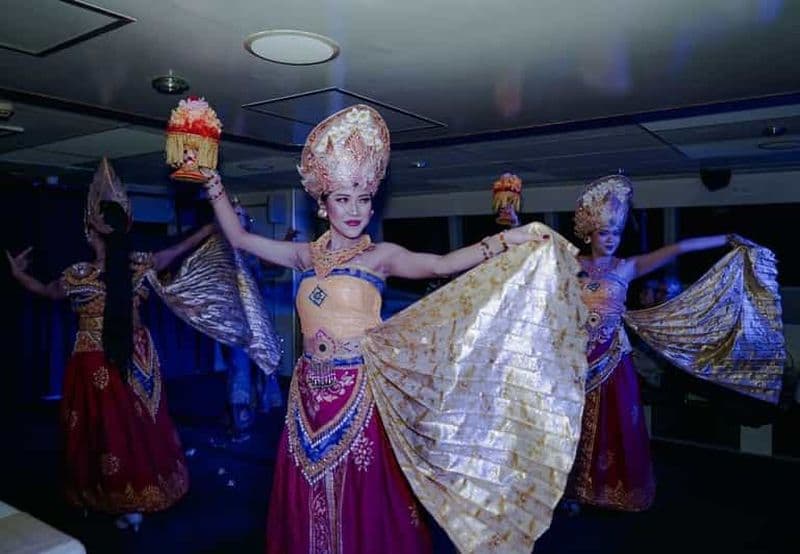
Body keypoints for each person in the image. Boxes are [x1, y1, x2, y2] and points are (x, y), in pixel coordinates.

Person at [200, 105, 590, 553]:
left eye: (362, 199)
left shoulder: (380, 257)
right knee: (307, 482)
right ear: (323, 205)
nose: (354, 210)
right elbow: (241, 240)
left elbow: (443, 264)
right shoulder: (306, 256)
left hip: (360, 393)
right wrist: (214, 185)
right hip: (307, 391)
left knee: (365, 490)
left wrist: (506, 241)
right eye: (342, 199)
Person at [6, 159, 214, 531]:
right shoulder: (136, 265)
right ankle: (132, 500)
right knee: (133, 428)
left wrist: (18, 273)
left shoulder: (79, 275)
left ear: (90, 232)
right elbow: (176, 250)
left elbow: (43, 291)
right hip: (131, 358)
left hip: (94, 362)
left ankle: (101, 495)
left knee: (99, 430)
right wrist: (214, 226)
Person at [565, 174, 783, 512]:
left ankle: (610, 490)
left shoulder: (627, 266)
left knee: (616, 424)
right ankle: (576, 490)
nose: (611, 240)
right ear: (590, 233)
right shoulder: (572, 265)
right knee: (573, 425)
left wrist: (724, 238)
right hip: (577, 358)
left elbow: (678, 248)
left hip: (612, 358)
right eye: (605, 233)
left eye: (616, 234)